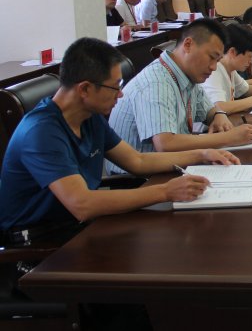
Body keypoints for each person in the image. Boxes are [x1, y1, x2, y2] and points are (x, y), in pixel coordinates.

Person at [0, 37, 239, 240]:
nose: (121, 94)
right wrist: (165, 192)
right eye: (115, 87)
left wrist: (202, 154)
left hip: (77, 224)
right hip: (40, 236)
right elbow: (82, 204)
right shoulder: (41, 132)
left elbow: (137, 161)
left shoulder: (89, 116)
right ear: (84, 89)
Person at [108, 19, 252, 169]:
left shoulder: (187, 75)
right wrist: (227, 138)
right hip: (138, 178)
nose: (214, 67)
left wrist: (219, 115)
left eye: (218, 60)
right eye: (212, 57)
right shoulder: (157, 82)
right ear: (188, 45)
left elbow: (210, 110)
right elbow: (165, 144)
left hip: (172, 166)